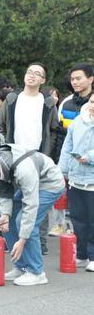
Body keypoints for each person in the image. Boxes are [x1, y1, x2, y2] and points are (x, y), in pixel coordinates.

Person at [0, 145, 64, 285]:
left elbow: (31, 206)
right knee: (0, 217)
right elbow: (4, 192)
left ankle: (36, 272)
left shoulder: (24, 170)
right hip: (30, 184)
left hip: (50, 184)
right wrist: (5, 214)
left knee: (25, 221)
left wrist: (22, 240)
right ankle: (21, 266)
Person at [0, 62, 60, 255]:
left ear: (43, 80)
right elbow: (1, 127)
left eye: (37, 74)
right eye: (29, 72)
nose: (31, 75)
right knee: (10, 200)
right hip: (14, 161)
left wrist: (47, 154)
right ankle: (12, 240)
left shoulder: (48, 102)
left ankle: (39, 242)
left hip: (39, 159)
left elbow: (54, 130)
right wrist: (5, 151)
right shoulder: (12, 99)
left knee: (36, 202)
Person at [58, 94, 94, 272]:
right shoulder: (78, 121)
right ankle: (81, 255)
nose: (93, 106)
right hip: (76, 179)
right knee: (78, 219)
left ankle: (93, 256)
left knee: (93, 221)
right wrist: (62, 170)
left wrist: (90, 157)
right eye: (92, 102)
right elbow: (67, 146)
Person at [41, 85, 69, 237]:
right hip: (48, 157)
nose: (55, 98)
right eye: (51, 95)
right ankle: (57, 224)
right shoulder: (44, 112)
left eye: (56, 95)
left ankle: (60, 224)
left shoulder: (62, 111)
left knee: (61, 192)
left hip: (59, 156)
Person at [59, 63, 93, 129]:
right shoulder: (66, 105)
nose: (74, 82)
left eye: (78, 79)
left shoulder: (91, 105)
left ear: (90, 79)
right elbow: (60, 131)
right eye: (72, 79)